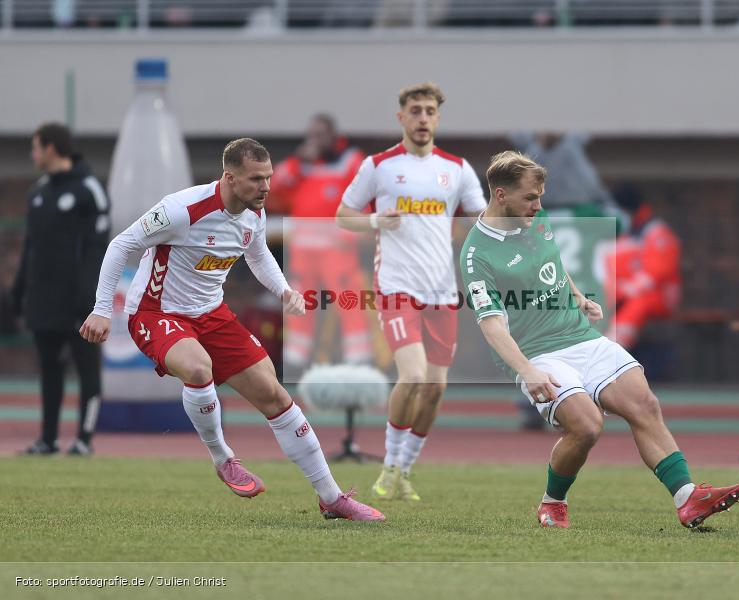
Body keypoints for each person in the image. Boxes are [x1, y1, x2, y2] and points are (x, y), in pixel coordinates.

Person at [79, 138, 384, 522]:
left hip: (212, 314)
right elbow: (120, 245)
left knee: (274, 394)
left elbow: (259, 256)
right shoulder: (181, 209)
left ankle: (332, 498)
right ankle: (224, 459)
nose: (267, 187)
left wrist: (285, 290)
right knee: (198, 367)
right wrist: (102, 309)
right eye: (256, 179)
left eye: (269, 177)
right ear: (229, 177)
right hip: (156, 312)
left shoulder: (253, 214)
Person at [460, 151, 739, 529]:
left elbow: (553, 263)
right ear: (500, 195)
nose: (539, 205)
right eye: (530, 197)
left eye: (540, 196)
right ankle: (552, 502)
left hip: (579, 337)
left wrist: (575, 295)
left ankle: (687, 498)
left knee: (644, 403)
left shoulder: (533, 217)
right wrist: (528, 372)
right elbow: (492, 326)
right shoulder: (477, 254)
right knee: (587, 425)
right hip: (537, 354)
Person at [336, 82, 487, 501]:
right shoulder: (380, 165)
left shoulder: (456, 168)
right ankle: (388, 465)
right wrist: (373, 222)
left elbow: (479, 219)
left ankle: (403, 469)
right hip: (396, 286)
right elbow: (343, 215)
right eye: (415, 111)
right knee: (414, 376)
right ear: (401, 117)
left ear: (438, 118)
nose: (423, 118)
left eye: (430, 111)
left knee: (436, 388)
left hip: (442, 289)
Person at [11, 123, 109, 456]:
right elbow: (30, 248)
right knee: (49, 369)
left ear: (51, 148)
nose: (32, 154)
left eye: (35, 147)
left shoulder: (89, 190)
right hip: (44, 301)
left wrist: (90, 296)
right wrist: (20, 291)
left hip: (79, 303)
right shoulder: (38, 192)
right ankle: (48, 439)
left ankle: (84, 439)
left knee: (87, 370)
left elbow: (99, 248)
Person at [268, 114, 372, 374]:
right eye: (311, 134)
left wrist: (357, 231)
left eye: (320, 134)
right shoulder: (300, 165)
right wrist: (297, 162)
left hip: (338, 249)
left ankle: (359, 360)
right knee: (299, 304)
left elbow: (365, 194)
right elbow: (274, 191)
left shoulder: (351, 160)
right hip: (303, 251)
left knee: (349, 300)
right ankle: (295, 361)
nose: (315, 140)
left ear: (332, 136)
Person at [606, 183, 682, 350]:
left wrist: (626, 290)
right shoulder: (627, 233)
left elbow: (656, 273)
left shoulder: (655, 232)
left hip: (659, 295)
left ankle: (615, 347)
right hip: (627, 293)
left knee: (639, 302)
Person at [508, 131, 615, 209]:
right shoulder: (531, 146)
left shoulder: (572, 144)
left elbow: (594, 191)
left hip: (577, 207)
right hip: (539, 209)